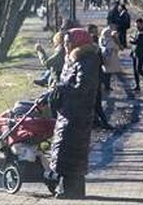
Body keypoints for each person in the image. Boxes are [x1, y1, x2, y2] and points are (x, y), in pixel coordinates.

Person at [48, 28, 101, 199]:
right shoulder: (72, 59)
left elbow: (83, 87)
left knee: (70, 150)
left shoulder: (87, 60)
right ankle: (68, 188)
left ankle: (71, 190)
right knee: (65, 150)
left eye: (68, 42)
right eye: (64, 42)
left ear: (77, 43)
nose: (65, 45)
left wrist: (61, 88)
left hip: (78, 114)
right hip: (69, 112)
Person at [99, 27, 122, 92]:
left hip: (104, 56)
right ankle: (107, 86)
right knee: (108, 73)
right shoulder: (110, 41)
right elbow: (117, 48)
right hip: (111, 58)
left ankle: (106, 85)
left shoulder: (101, 39)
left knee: (106, 72)